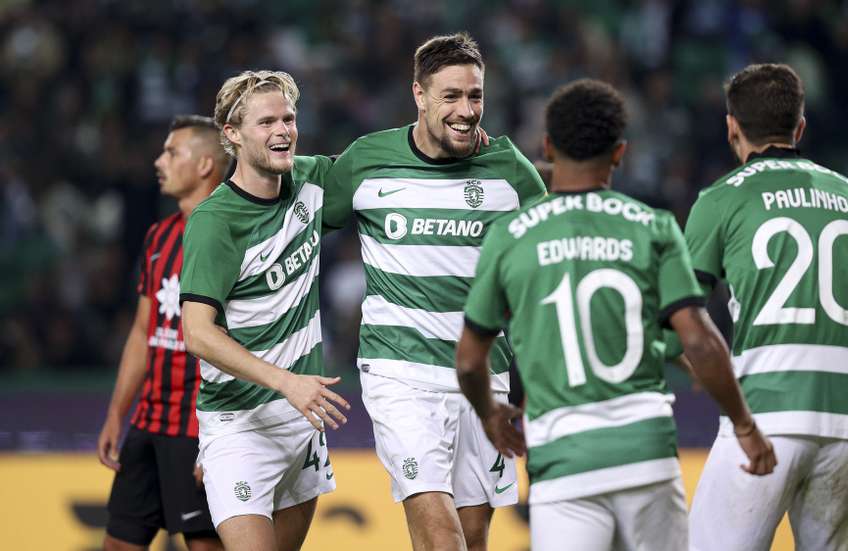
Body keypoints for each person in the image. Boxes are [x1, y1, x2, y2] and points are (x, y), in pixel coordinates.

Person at [456, 78, 776, 551]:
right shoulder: (654, 226)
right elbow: (700, 340)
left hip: (563, 466)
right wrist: (745, 425)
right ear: (620, 153)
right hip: (646, 454)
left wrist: (489, 413)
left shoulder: (510, 236)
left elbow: (467, 361)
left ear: (547, 147)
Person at [320, 32, 547, 551]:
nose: (467, 111)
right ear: (419, 95)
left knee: (471, 537)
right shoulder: (366, 161)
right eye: (451, 97)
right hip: (401, 376)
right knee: (442, 537)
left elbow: (542, 286)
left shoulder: (512, 174)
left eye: (475, 96)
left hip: (485, 380)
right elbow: (306, 224)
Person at [686, 63, 848, 551]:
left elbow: (679, 313)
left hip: (766, 411)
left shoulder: (721, 199)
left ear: (732, 127)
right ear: (800, 127)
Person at [179, 70, 351, 551]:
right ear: (232, 134)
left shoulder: (309, 181)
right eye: (266, 122)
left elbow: (382, 167)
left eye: (289, 118)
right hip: (240, 427)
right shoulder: (216, 223)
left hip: (301, 424)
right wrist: (286, 381)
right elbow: (197, 334)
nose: (283, 130)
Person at [98, 115, 228, 551]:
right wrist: (118, 413)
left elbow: (248, 343)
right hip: (148, 424)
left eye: (172, 152)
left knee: (205, 546)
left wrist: (220, 439)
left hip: (197, 431)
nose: (159, 161)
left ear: (206, 164)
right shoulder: (159, 236)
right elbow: (142, 332)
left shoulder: (232, 236)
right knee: (118, 544)